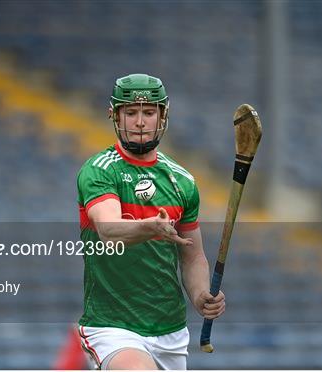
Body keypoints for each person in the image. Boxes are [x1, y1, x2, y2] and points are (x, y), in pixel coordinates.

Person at [76, 73, 225, 370]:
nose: (140, 121)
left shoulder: (182, 181)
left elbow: (193, 256)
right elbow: (108, 229)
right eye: (131, 113)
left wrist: (200, 296)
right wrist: (149, 227)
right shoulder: (100, 170)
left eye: (148, 112)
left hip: (170, 331)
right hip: (114, 327)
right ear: (115, 116)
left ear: (162, 117)